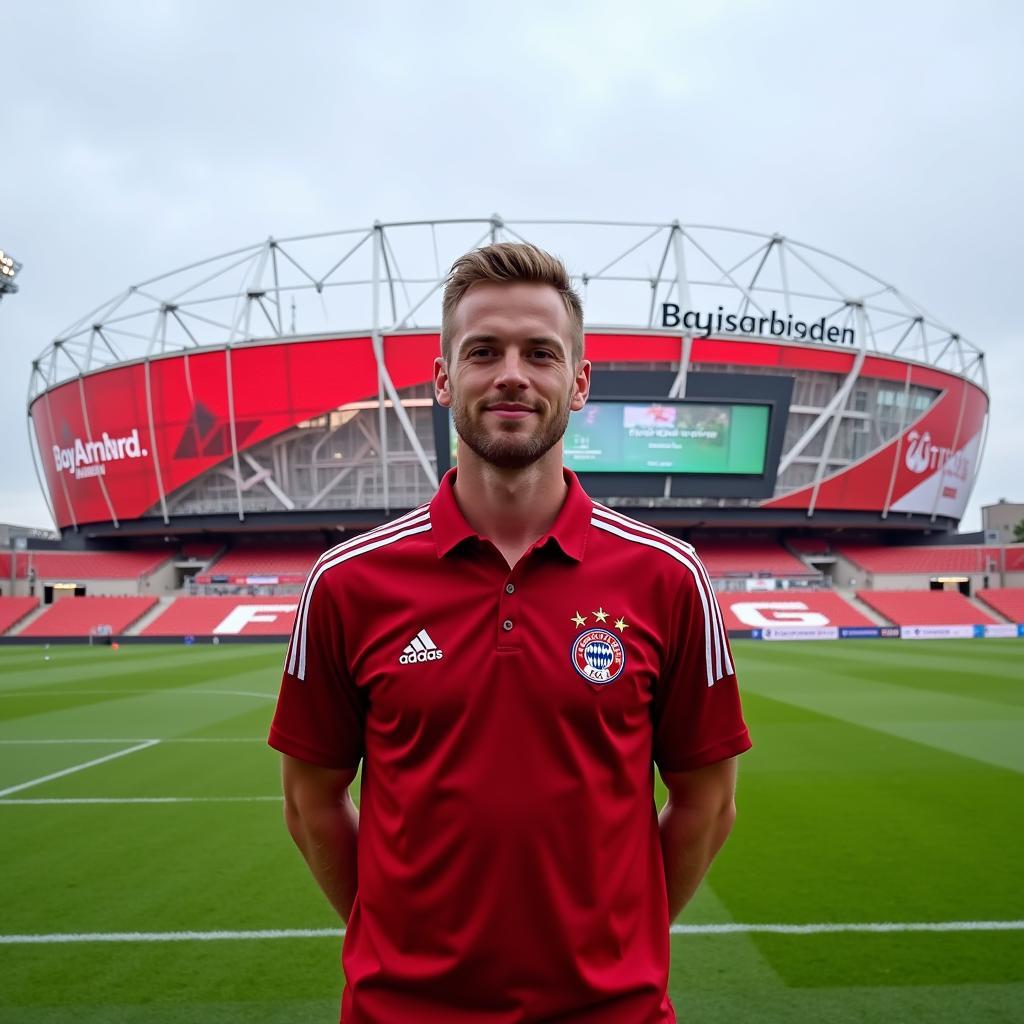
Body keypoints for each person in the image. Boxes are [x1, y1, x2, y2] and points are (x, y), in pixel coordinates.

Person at [269, 242, 751, 1023]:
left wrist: (622, 947)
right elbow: (310, 802)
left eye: (540, 353)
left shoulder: (668, 575)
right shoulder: (346, 581)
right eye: (483, 351)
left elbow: (707, 804)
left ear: (580, 382)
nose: (512, 375)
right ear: (441, 378)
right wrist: (396, 940)